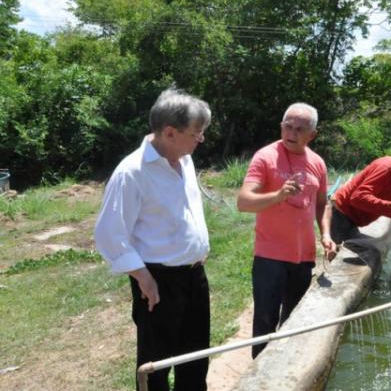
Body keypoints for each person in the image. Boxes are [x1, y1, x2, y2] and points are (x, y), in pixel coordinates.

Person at [94, 88, 212, 391]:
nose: (201, 140)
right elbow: (110, 232)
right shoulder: (131, 172)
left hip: (194, 276)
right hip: (158, 281)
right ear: (170, 132)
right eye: (197, 134)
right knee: (156, 363)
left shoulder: (183, 159)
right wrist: (142, 276)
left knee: (196, 358)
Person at [237, 103, 336, 358]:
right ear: (281, 127)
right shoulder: (266, 156)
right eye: (287, 127)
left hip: (303, 258)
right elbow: (244, 201)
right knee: (265, 323)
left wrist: (325, 234)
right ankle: (259, 374)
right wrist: (279, 195)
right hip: (269, 256)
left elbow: (323, 204)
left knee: (293, 320)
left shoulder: (317, 163)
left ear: (312, 134)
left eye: (299, 129)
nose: (291, 133)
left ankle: (285, 371)